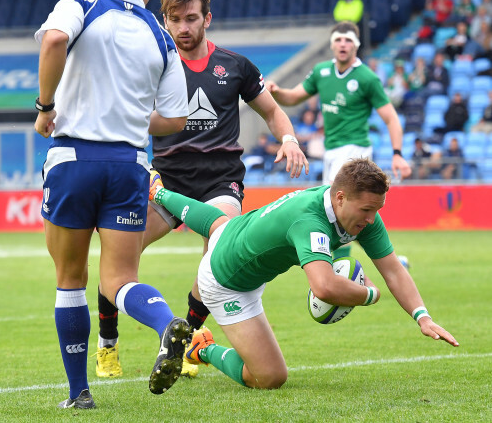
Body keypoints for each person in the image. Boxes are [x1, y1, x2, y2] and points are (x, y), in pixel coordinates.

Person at [95, 0, 308, 378]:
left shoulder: (236, 66)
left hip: (218, 183)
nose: (183, 28)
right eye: (175, 20)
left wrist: (290, 139)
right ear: (164, 21)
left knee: (219, 248)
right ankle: (107, 345)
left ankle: (187, 340)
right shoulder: (150, 64)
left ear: (207, 18)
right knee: (118, 254)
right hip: (165, 182)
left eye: (191, 18)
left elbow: (272, 111)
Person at [34, 0, 191, 409]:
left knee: (70, 279)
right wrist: (129, 113)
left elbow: (54, 40)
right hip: (129, 166)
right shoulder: (162, 38)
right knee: (119, 280)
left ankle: (79, 393)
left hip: (73, 161)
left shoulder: (79, 6)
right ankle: (166, 324)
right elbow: (176, 119)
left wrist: (45, 108)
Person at [148, 158, 459, 389]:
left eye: (377, 209)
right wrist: (370, 295)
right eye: (366, 210)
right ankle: (201, 348)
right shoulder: (310, 221)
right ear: (340, 198)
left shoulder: (356, 214)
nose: (372, 218)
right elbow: (323, 287)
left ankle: (157, 191)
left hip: (232, 230)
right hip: (226, 283)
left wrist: (422, 316)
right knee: (270, 377)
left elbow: (392, 268)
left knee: (218, 224)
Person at [267, 21, 412, 258]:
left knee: (338, 208)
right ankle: (375, 260)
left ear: (355, 45)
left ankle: (341, 266)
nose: (342, 44)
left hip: (354, 149)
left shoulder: (366, 78)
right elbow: (293, 97)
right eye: (338, 40)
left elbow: (391, 118)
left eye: (347, 40)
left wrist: (397, 154)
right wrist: (277, 91)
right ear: (332, 44)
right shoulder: (321, 71)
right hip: (331, 150)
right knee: (336, 208)